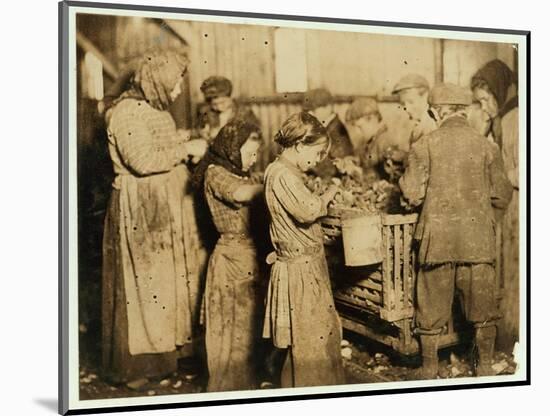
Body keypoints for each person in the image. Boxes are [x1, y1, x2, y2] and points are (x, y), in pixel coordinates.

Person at [102, 49, 208, 387]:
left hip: (162, 205)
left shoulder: (152, 110)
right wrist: (186, 150)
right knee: (144, 285)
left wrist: (181, 139)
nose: (177, 91)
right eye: (174, 83)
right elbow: (142, 160)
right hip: (139, 207)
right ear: (157, 80)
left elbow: (157, 141)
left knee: (163, 283)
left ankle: (167, 357)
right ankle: (139, 366)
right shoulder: (125, 112)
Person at [399, 83, 513, 379]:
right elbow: (502, 194)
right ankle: (486, 367)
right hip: (478, 244)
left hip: (437, 244)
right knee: (483, 311)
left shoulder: (424, 146)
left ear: (437, 112)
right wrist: (485, 222)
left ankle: (428, 369)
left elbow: (411, 193)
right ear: (464, 111)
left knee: (430, 310)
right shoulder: (488, 147)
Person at [262, 112, 346, 388]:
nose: (319, 159)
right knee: (311, 341)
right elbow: (308, 211)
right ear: (299, 144)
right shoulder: (282, 174)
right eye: (317, 152)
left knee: (310, 340)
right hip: (300, 269)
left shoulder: (285, 172)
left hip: (305, 264)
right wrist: (331, 191)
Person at [190, 119, 264, 392]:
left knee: (246, 330)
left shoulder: (241, 173)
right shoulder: (215, 173)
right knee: (231, 330)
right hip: (231, 257)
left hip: (247, 256)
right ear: (233, 148)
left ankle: (244, 388)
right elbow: (242, 194)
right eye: (249, 153)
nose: (253, 159)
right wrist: (277, 184)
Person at [471, 59, 519, 353]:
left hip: (520, 206)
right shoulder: (501, 119)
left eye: (486, 100)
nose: (484, 107)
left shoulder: (516, 119)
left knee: (516, 271)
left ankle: (514, 334)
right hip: (509, 206)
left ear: (499, 93)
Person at [302, 88, 354, 177]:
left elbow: (335, 165)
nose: (310, 113)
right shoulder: (324, 127)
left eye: (314, 109)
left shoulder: (337, 130)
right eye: (309, 111)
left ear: (328, 107)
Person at [197, 76, 260, 142]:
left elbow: (256, 133)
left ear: (231, 97)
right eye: (214, 104)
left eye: (223, 102)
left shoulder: (244, 112)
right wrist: (204, 133)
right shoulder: (207, 112)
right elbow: (200, 129)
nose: (219, 107)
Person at [345, 97, 389, 181]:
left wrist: (359, 172)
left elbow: (388, 177)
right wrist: (355, 162)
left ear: (371, 118)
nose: (357, 132)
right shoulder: (372, 140)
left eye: (360, 127)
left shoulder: (384, 141)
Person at [392, 74, 437, 147]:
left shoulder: (433, 125)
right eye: (403, 104)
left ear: (426, 96)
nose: (407, 109)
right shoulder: (419, 123)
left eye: (411, 102)